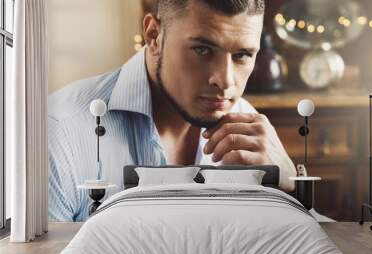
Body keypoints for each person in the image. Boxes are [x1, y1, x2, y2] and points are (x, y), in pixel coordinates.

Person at [48, 0, 296, 221]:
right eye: (202, 50)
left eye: (242, 55)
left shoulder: (248, 127)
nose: (226, 81)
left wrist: (290, 187)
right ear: (154, 35)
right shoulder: (59, 133)